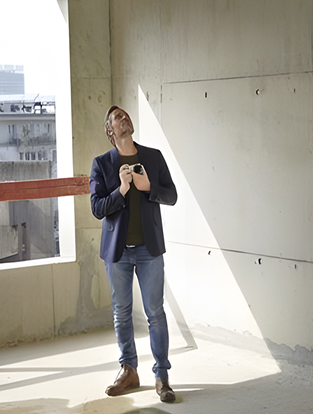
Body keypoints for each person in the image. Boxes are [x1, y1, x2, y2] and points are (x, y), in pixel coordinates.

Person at [90, 105, 178, 403]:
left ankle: (162, 375)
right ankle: (129, 370)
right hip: (117, 252)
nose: (124, 118)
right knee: (122, 313)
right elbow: (97, 208)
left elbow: (172, 195)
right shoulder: (102, 164)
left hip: (149, 249)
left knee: (155, 313)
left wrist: (148, 186)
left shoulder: (153, 157)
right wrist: (123, 189)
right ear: (110, 131)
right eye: (117, 117)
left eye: (125, 114)